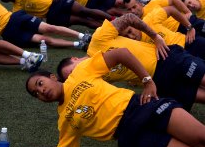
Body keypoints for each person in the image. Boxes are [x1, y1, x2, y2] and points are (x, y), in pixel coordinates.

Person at [24, 48, 205, 147]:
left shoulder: (80, 73)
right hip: (130, 137)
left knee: (201, 138)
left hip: (141, 107)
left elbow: (121, 54)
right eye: (36, 93)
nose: (41, 91)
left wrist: (147, 81)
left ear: (52, 77)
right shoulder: (64, 119)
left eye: (40, 84)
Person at [57, 14, 205, 111]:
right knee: (198, 97)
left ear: (74, 59)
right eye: (72, 77)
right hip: (158, 82)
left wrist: (155, 37)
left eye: (71, 71)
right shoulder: (94, 76)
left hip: (165, 59)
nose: (76, 73)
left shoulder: (97, 41)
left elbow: (128, 18)